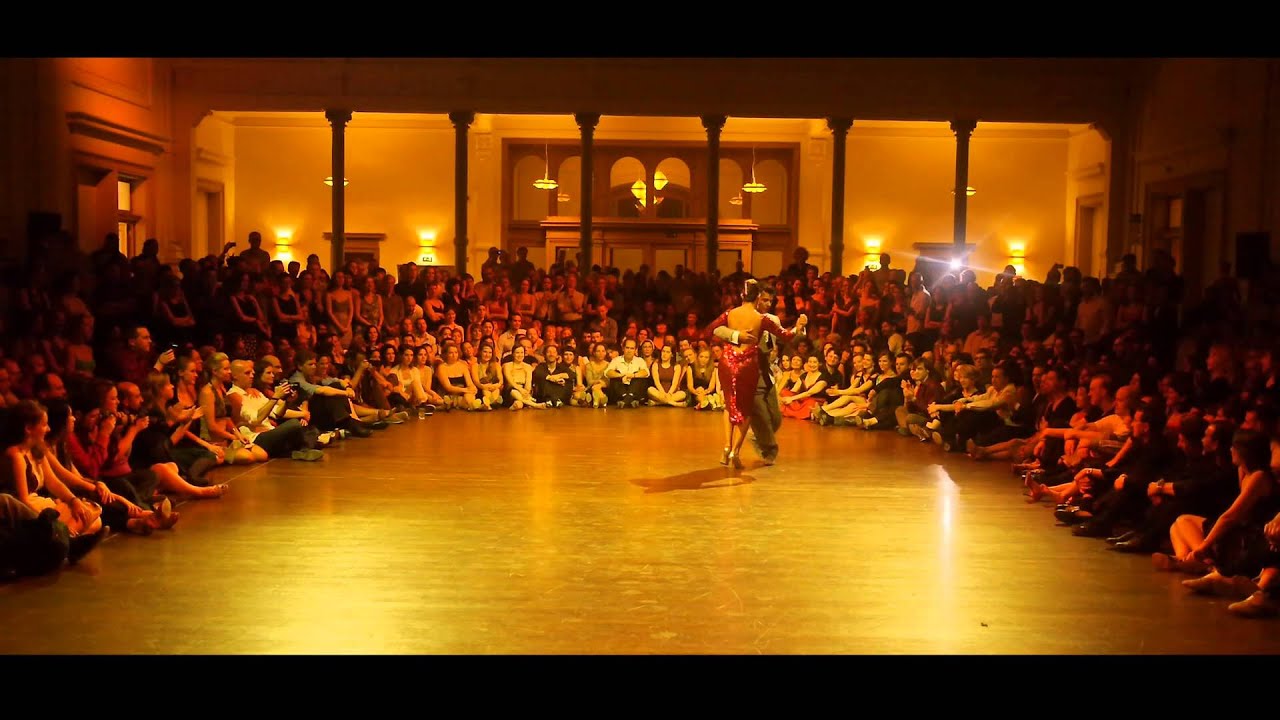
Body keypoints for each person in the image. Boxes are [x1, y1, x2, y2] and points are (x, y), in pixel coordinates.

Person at [707, 279, 805, 468]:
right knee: (751, 411)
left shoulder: (769, 319)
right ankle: (750, 449)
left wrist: (800, 327)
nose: (767, 304)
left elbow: (785, 336)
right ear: (758, 298)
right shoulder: (742, 316)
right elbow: (714, 329)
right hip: (747, 368)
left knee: (774, 418)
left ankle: (746, 440)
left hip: (763, 370)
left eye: (771, 301)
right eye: (765, 300)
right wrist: (736, 336)